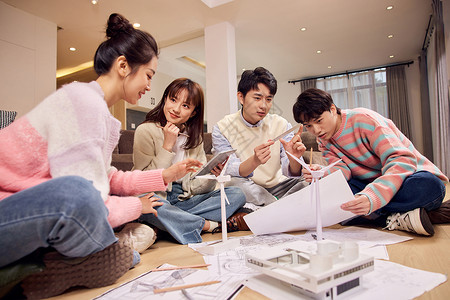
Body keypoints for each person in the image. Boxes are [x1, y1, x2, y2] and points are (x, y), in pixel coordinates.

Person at [0, 13, 201, 299]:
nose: (149, 86)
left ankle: (95, 254)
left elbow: (108, 177)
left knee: (90, 200)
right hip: (11, 207)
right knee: (80, 196)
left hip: (33, 209)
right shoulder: (82, 101)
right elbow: (88, 195)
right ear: (123, 66)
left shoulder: (101, 114)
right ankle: (97, 255)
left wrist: (165, 175)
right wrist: (136, 207)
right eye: (148, 75)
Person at [293, 88, 449, 236]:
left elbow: (402, 161)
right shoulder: (323, 141)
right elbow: (343, 171)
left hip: (407, 178)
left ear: (332, 109)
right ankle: (399, 217)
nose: (316, 130)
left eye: (319, 121)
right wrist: (321, 171)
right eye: (309, 126)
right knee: (333, 192)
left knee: (431, 186)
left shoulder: (364, 120)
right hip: (370, 185)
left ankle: (377, 216)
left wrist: (373, 197)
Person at [133, 78, 247, 245]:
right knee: (145, 203)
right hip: (157, 196)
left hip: (185, 199)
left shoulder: (195, 139)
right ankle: (209, 225)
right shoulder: (145, 131)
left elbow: (195, 186)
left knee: (237, 194)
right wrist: (167, 146)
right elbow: (143, 181)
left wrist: (211, 176)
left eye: (186, 106)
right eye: (173, 100)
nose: (176, 109)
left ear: (193, 112)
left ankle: (171, 224)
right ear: (165, 99)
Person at [212, 67, 308, 207]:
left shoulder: (281, 124)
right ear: (241, 97)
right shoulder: (222, 128)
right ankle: (281, 206)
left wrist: (294, 159)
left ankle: (267, 207)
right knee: (234, 184)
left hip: (279, 186)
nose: (264, 106)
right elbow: (230, 169)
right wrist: (255, 161)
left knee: (307, 182)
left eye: (269, 99)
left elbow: (291, 172)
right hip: (248, 187)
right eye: (257, 98)